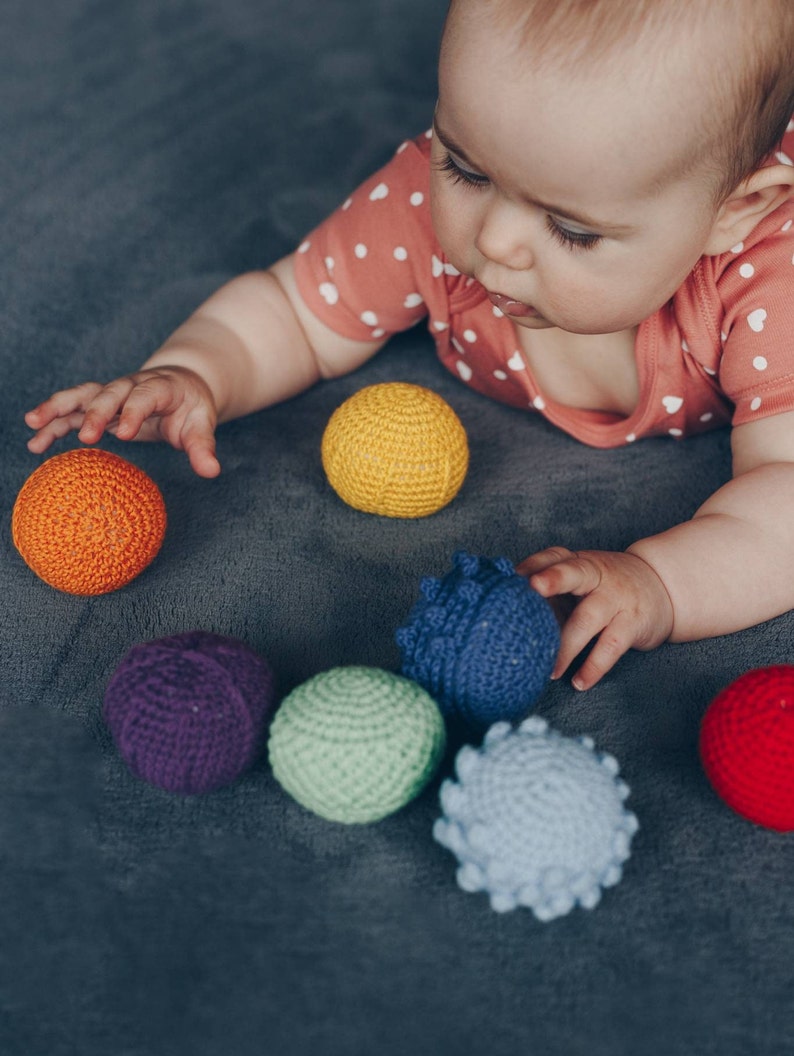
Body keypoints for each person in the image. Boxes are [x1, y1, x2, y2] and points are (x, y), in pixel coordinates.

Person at [24, 0, 794, 691]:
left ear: (733, 213)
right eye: (465, 165)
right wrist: (195, 371)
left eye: (571, 229)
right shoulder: (422, 199)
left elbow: (784, 496)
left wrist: (662, 586)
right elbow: (295, 310)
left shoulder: (766, 275)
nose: (493, 241)